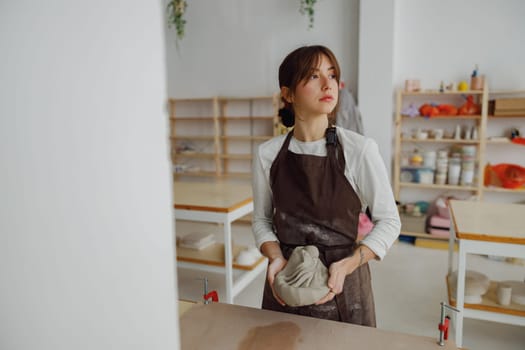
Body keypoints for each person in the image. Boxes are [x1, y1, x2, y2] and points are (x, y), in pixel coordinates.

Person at [251, 45, 400, 326]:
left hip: (343, 282)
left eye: (332, 75)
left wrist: (351, 263)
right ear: (288, 93)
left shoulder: (359, 150)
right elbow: (261, 220)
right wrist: (275, 258)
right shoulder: (267, 154)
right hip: (287, 278)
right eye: (313, 76)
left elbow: (390, 221)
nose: (327, 84)